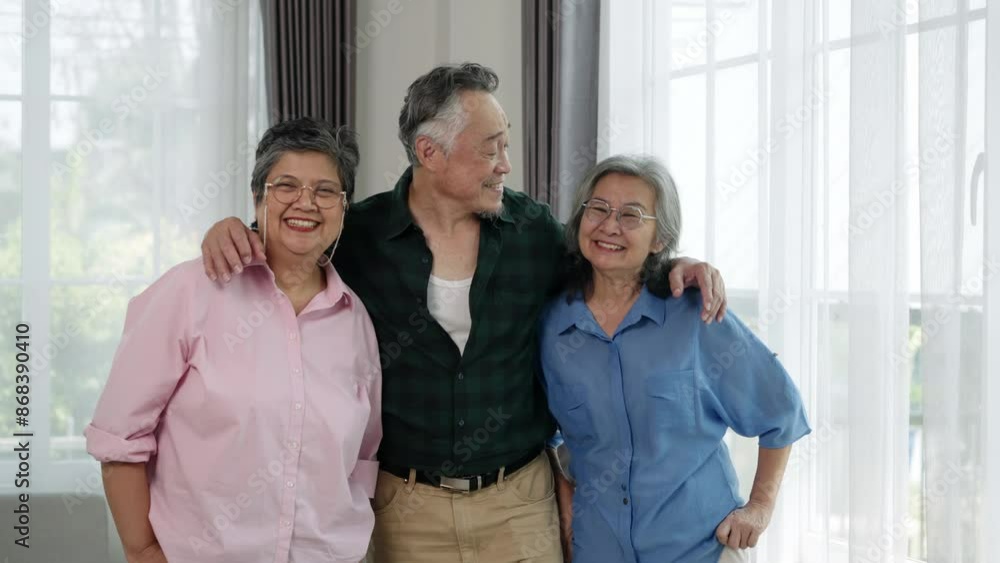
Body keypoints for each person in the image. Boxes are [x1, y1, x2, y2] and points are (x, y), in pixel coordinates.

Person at [200, 63, 727, 562]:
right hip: (404, 510)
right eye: (491, 148)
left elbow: (608, 270)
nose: (506, 164)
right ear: (429, 152)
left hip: (519, 505)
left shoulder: (533, 233)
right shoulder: (358, 236)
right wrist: (236, 229)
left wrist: (670, 266)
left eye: (506, 145)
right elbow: (289, 241)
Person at [85, 118, 382, 563]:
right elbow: (119, 437)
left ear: (343, 208)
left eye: (325, 191)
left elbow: (361, 460)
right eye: (286, 186)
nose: (306, 202)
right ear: (258, 196)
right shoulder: (190, 292)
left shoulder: (355, 319)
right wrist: (143, 550)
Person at [539, 154, 811, 563]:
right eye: (598, 208)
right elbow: (542, 431)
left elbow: (781, 411)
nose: (610, 225)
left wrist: (759, 508)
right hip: (597, 549)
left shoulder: (698, 315)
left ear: (660, 239)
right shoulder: (552, 327)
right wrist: (563, 505)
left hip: (699, 549)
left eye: (631, 215)